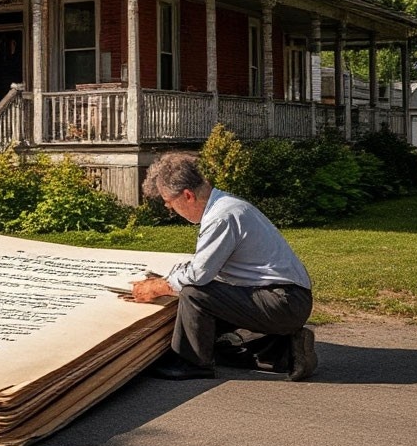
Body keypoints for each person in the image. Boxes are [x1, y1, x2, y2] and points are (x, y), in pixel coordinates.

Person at [131, 151, 318, 382]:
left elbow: (198, 276)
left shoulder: (221, 217)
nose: (170, 209)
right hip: (283, 298)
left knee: (194, 294)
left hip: (283, 301)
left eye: (169, 203)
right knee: (214, 340)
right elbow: (206, 266)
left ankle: (192, 363)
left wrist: (158, 286)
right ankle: (284, 352)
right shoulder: (225, 206)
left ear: (187, 195)